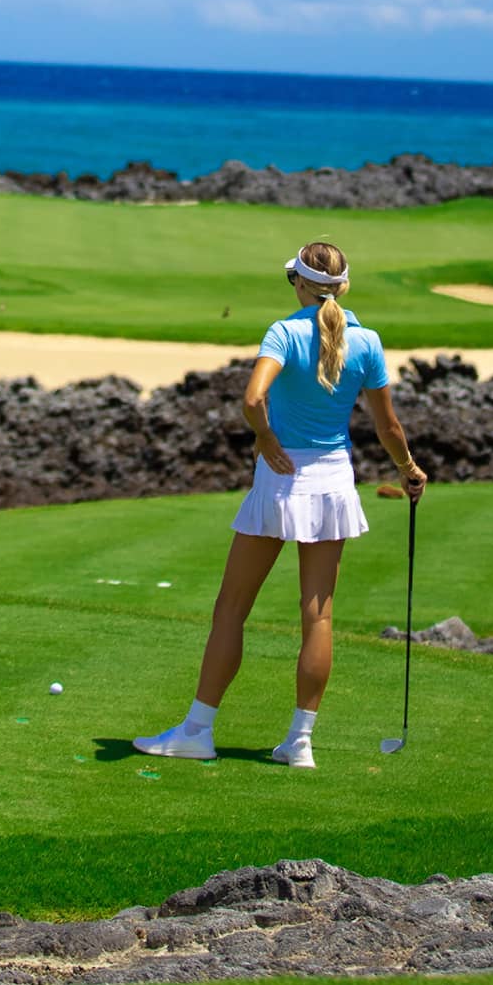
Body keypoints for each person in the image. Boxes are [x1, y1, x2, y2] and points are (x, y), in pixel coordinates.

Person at [134, 239, 426, 769]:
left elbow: (251, 399)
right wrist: (409, 470)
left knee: (232, 608)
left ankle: (198, 731)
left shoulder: (285, 332)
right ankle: (300, 741)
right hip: (334, 480)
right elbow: (389, 427)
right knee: (318, 617)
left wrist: (265, 439)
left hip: (282, 478)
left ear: (299, 283)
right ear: (343, 287)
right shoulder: (368, 341)